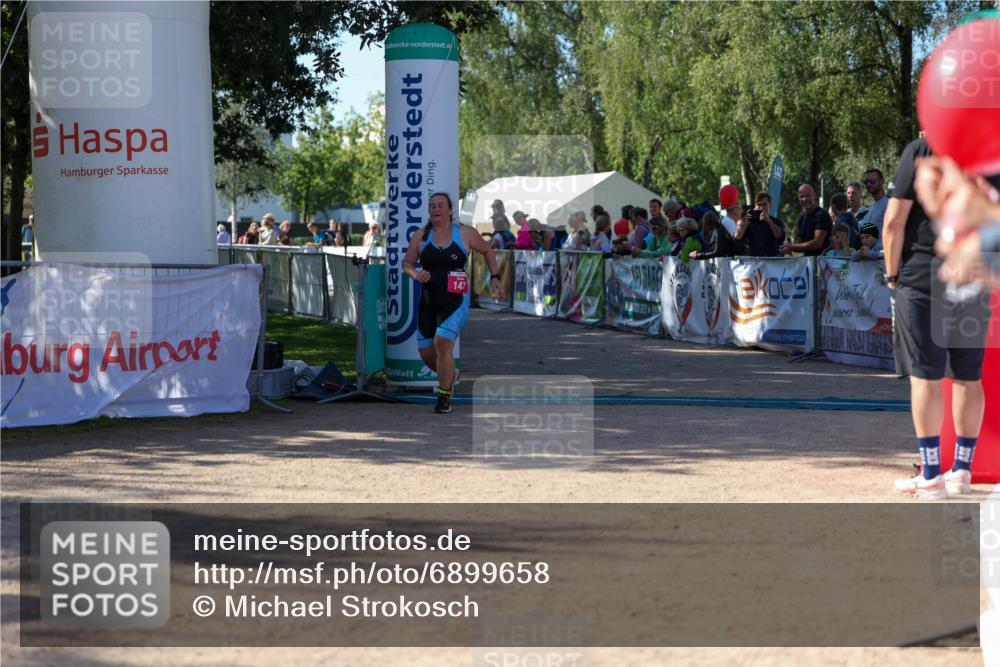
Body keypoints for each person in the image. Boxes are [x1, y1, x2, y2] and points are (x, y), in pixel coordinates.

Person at [884, 137, 992, 499]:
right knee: (967, 377)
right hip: (973, 275)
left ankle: (931, 473)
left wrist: (891, 276)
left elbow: (894, 222)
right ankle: (962, 468)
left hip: (922, 277)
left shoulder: (920, 151)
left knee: (925, 378)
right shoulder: (987, 151)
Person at [402, 193, 502, 414]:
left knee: (443, 343)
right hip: (428, 301)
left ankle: (443, 396)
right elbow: (407, 263)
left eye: (440, 206)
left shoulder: (465, 233)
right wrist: (414, 273)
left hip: (455, 300)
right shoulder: (421, 235)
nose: (436, 209)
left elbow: (488, 250)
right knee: (426, 353)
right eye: (432, 206)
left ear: (449, 210)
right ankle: (448, 377)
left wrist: (495, 276)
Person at [780, 184, 831, 256]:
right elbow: (800, 244)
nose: (805, 199)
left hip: (823, 263)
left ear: (814, 196)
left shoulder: (821, 215)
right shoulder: (802, 218)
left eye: (808, 195)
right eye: (802, 196)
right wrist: (786, 247)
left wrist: (792, 247)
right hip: (807, 263)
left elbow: (817, 243)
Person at [734, 192, 783, 257]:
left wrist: (768, 221)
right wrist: (746, 222)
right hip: (755, 262)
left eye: (764, 204)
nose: (762, 207)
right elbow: (737, 237)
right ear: (755, 206)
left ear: (770, 205)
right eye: (759, 205)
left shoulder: (777, 221)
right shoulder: (749, 222)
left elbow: (779, 237)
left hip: (772, 261)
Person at [863, 168, 889, 234]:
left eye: (872, 181)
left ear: (882, 182)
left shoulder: (888, 204)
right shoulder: (872, 206)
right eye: (866, 182)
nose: (868, 184)